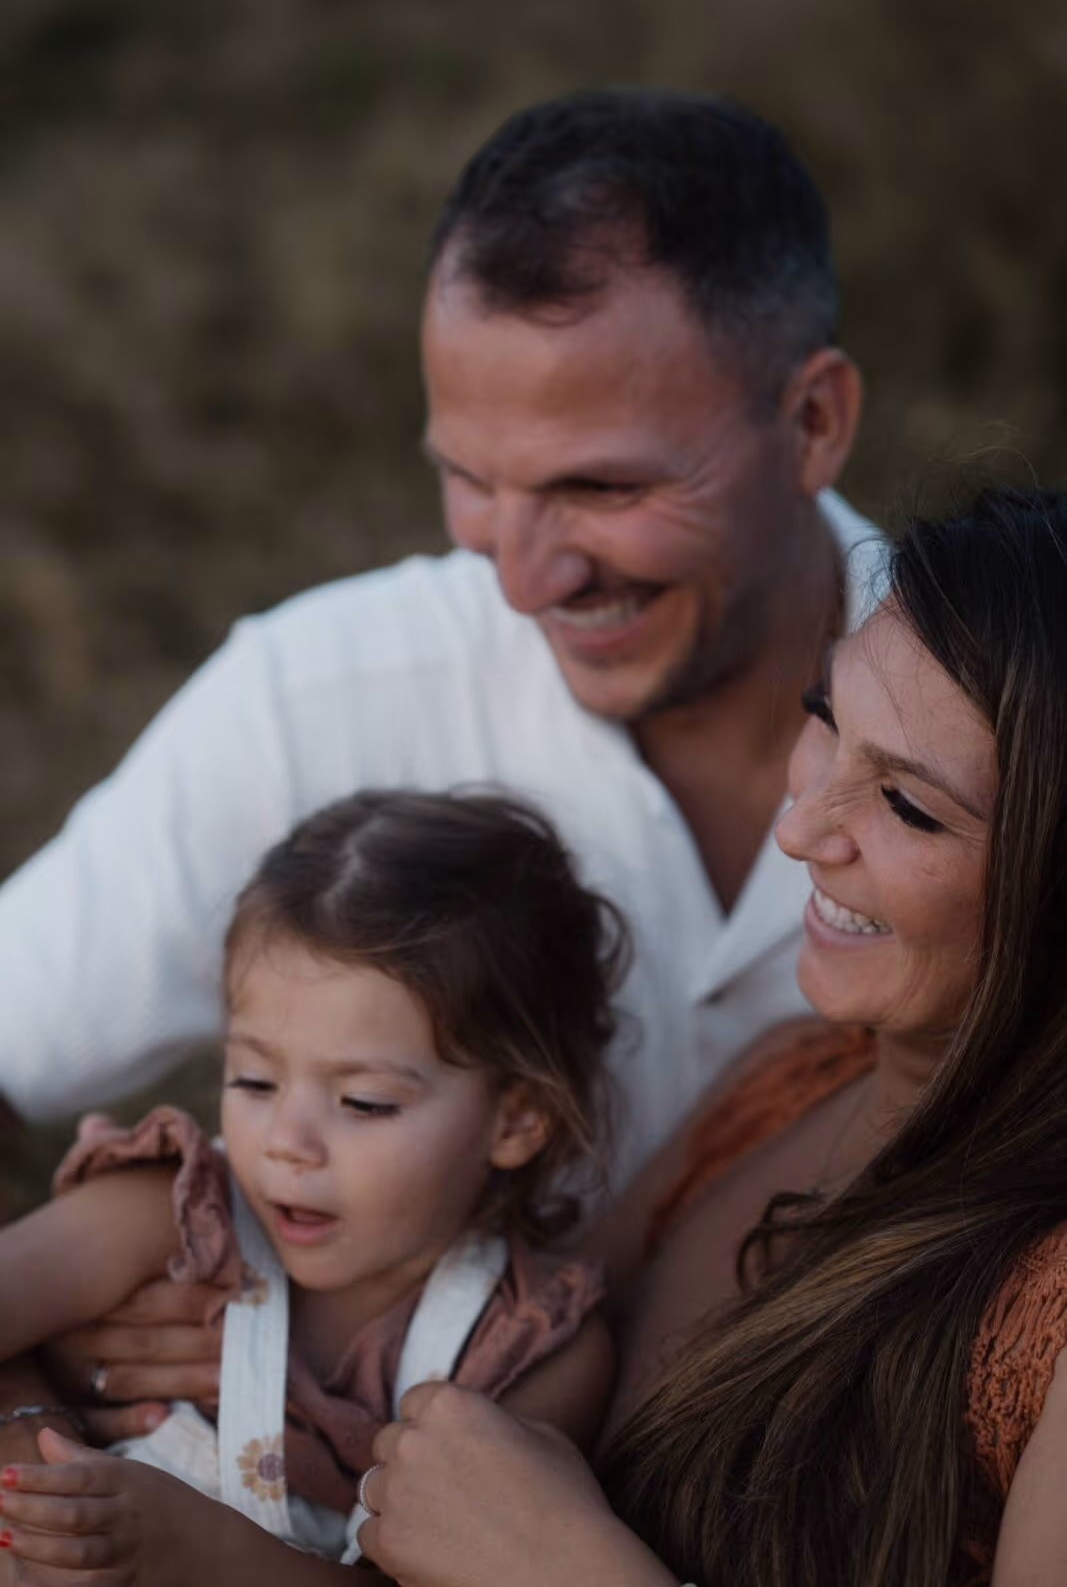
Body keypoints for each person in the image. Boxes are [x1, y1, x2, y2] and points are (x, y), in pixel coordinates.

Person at [0, 88, 877, 1442]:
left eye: (602, 488)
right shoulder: (316, 695)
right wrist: (50, 1364)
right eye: (471, 477)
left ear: (811, 422)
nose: (525, 575)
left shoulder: (1002, 724)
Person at [184, 484, 1067, 1587]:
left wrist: (568, 1568)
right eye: (826, 721)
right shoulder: (782, 1080)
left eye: (906, 807)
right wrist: (193, 1343)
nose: (797, 828)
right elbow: (481, 1359)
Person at [0, 789, 618, 1579]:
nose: (287, 1145)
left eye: (363, 1101)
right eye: (254, 1081)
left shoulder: (533, 1349)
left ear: (516, 1120)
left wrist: (201, 1546)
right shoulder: (173, 1208)